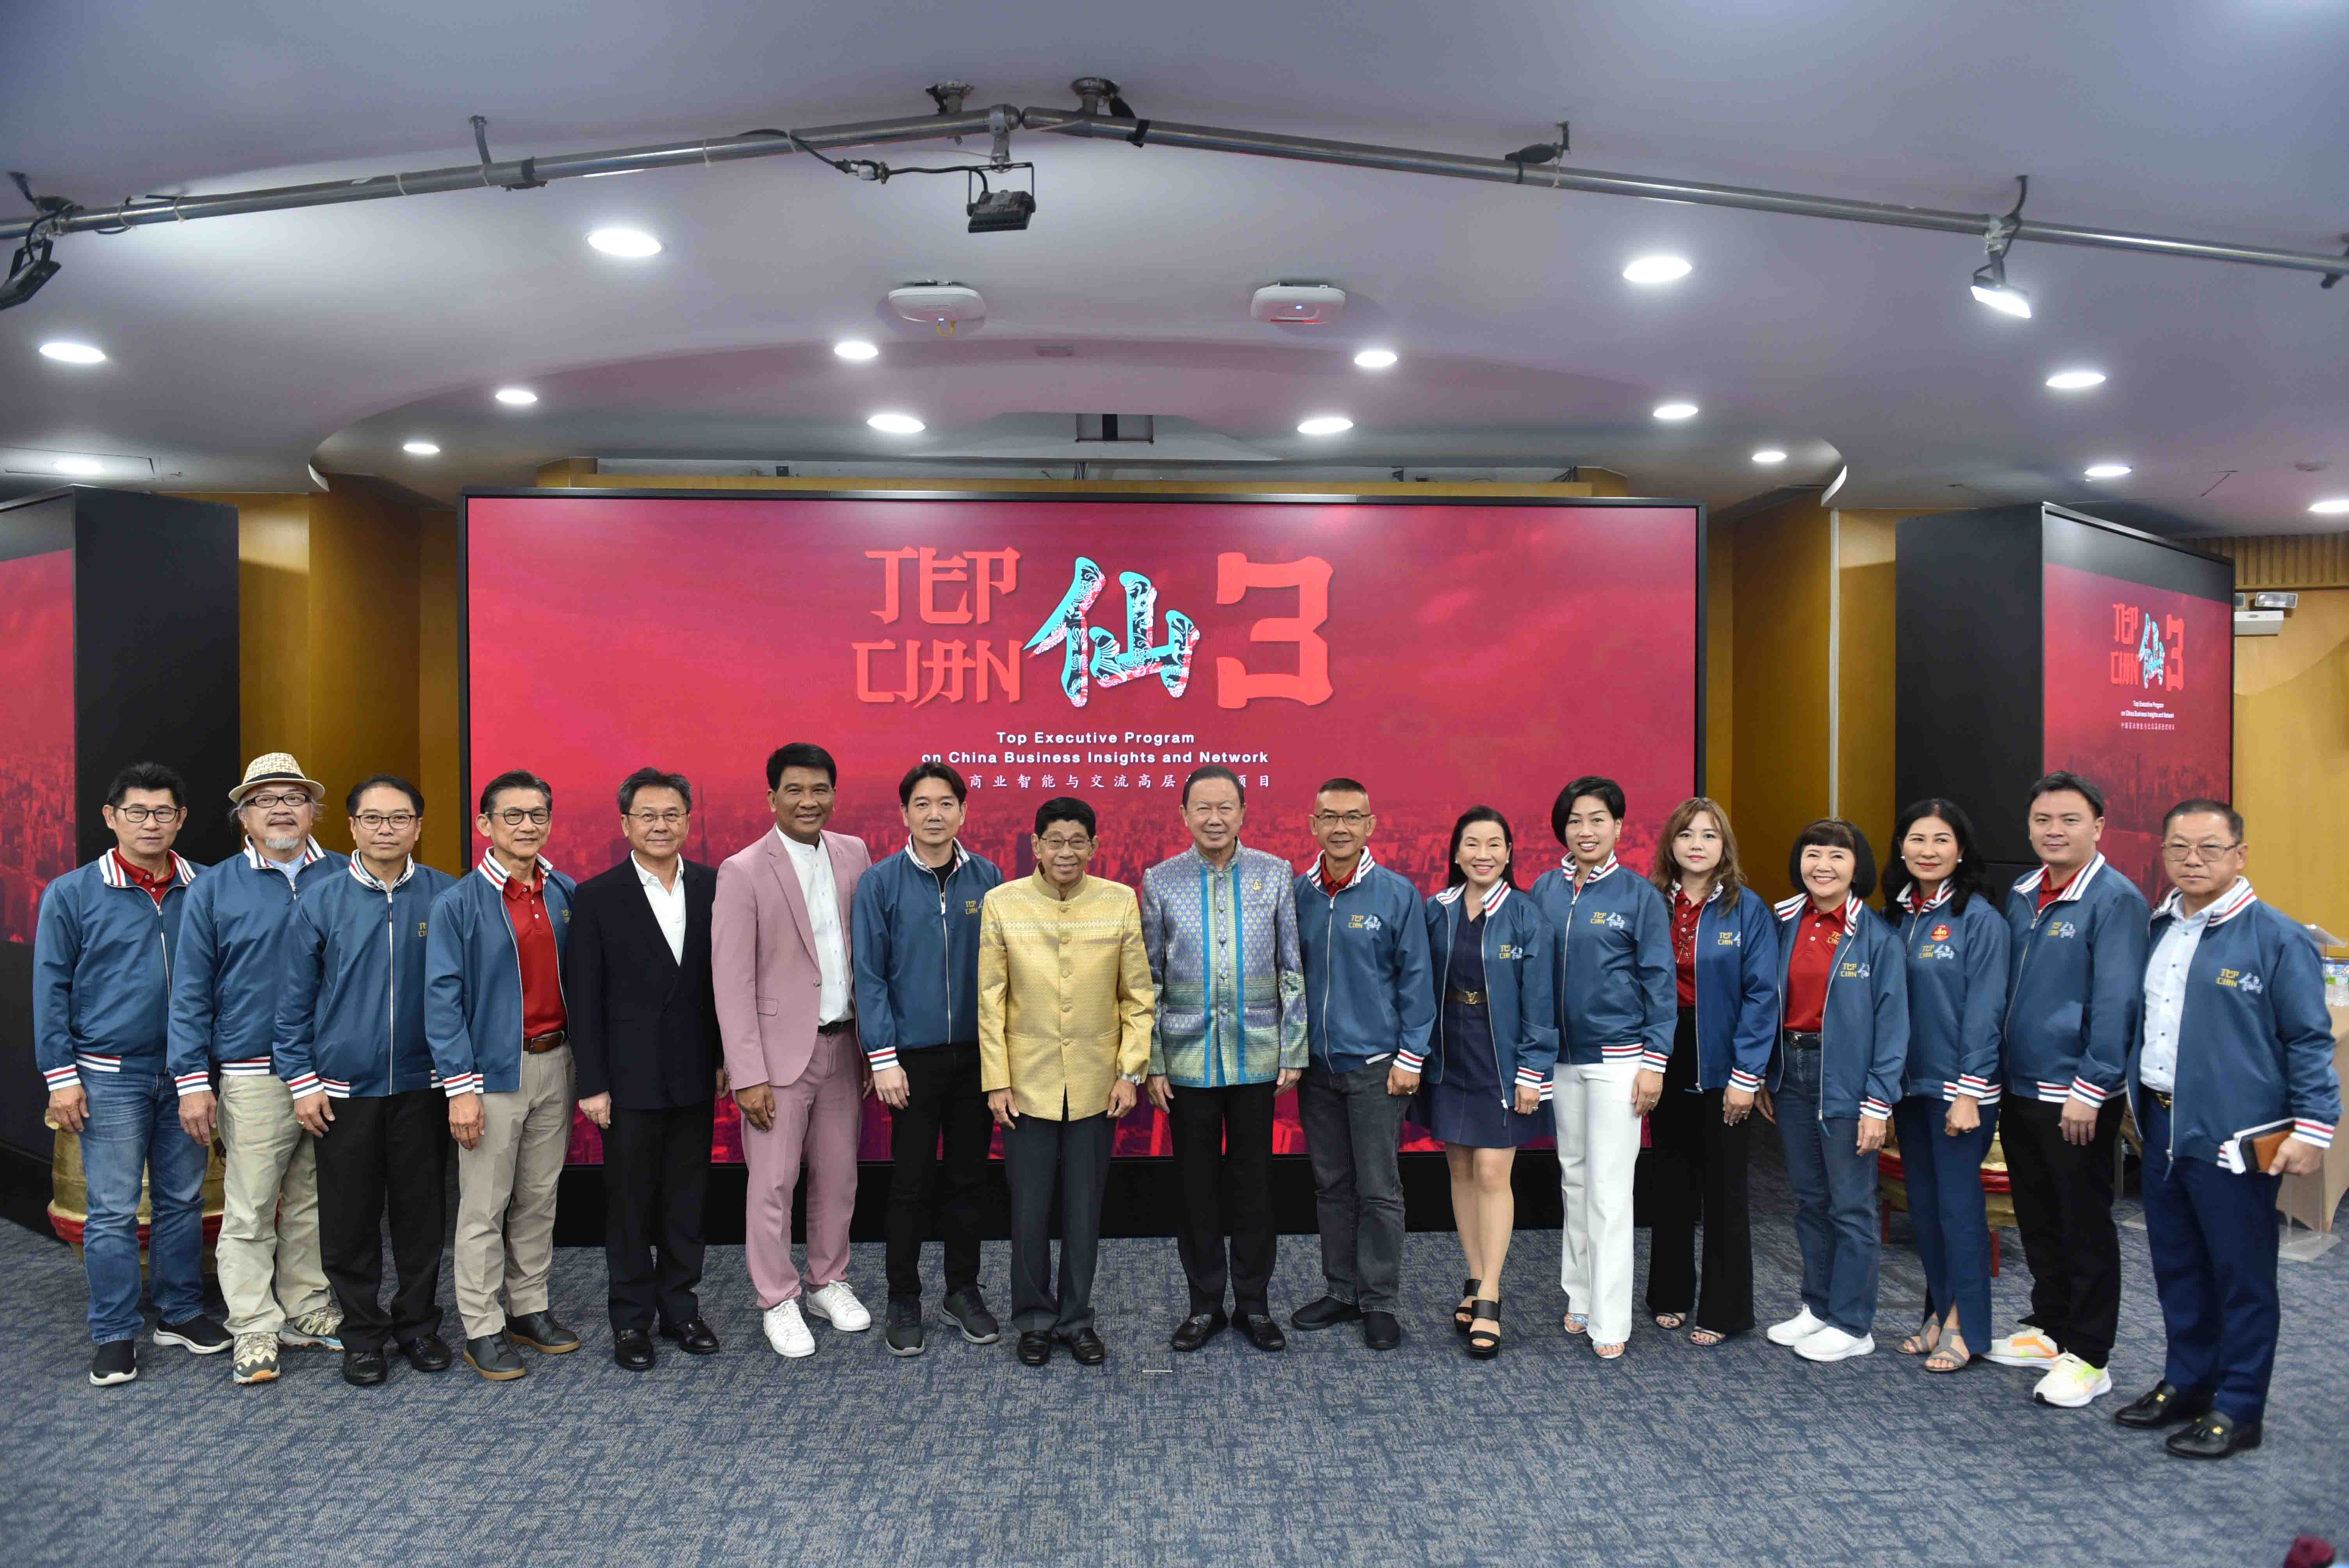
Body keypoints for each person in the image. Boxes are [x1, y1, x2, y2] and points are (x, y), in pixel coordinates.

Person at [2116, 800, 2340, 1460]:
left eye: (2210, 848)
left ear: (2240, 855)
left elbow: (2309, 1040)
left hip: (2234, 1138)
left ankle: (2240, 1407)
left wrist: (2314, 1129)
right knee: (2177, 1266)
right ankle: (2188, 1382)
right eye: (2179, 847)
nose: (2193, 860)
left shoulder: (2278, 937)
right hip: (2162, 1125)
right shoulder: (2159, 928)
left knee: (2242, 1275)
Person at [34, 763, 225, 1386]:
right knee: (114, 1209)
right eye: (137, 812)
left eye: (163, 812)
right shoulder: (73, 893)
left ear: (182, 819)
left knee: (182, 1199)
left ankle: (180, 1312)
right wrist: (61, 1076)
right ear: (111, 818)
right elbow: (51, 989)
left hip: (188, 1074)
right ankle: (115, 1332)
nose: (151, 823)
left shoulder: (207, 887)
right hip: (108, 1075)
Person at [167, 752, 344, 1386]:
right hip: (252, 1071)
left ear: (314, 811)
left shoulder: (347, 875)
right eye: (264, 800)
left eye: (293, 798)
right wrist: (192, 1081)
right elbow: (191, 991)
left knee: (313, 1200)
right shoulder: (214, 888)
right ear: (243, 817)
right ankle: (253, 1325)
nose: (280, 810)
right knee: (250, 1207)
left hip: (332, 1070)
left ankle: (307, 1306)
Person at [275, 774, 457, 1385]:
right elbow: (292, 1004)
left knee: (421, 1218)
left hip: (424, 1086)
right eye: (373, 819)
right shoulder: (320, 899)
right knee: (349, 1222)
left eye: (399, 818)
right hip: (343, 1091)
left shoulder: (446, 896)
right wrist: (302, 1081)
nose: (386, 830)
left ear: (418, 827)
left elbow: (465, 997)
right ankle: (362, 1335)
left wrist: (462, 1081)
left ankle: (418, 1327)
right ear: (352, 827)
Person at [1990, 771, 2149, 1410]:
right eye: (2043, 821)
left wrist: (2093, 1086)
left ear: (2099, 827)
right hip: (2019, 1085)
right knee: (2037, 1213)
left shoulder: (2116, 900)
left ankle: (2090, 1354)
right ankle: (2051, 1326)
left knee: (2083, 1223)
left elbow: (2118, 1003)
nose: (2054, 831)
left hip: (2077, 1094)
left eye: (2070, 820)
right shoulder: (2023, 892)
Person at [978, 796, 1153, 1367]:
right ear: (1036, 845)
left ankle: (1076, 1318)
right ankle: (1033, 1318)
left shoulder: (1118, 901)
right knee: (1029, 1211)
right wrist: (997, 1080)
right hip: (1025, 1084)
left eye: (1078, 841)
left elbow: (1137, 997)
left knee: (1084, 1211)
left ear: (1094, 847)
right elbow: (991, 1001)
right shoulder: (1003, 903)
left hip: (1097, 1085)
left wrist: (1129, 1072)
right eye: (1055, 841)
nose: (1066, 852)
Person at [712, 742, 873, 1360]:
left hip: (844, 1045)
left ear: (834, 794)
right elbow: (732, 981)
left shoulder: (854, 852)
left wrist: (872, 1049)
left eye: (820, 790)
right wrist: (747, 1072)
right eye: (796, 790)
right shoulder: (743, 870)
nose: (809, 801)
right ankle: (777, 1297)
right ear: (772, 797)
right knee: (774, 1184)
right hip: (777, 1060)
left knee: (839, 1177)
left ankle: (827, 1281)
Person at [1140, 765, 1308, 1355]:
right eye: (1203, 808)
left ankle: (1255, 1304)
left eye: (1225, 808)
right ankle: (1205, 1304)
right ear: (1184, 815)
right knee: (1196, 1187)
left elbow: (1291, 968)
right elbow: (1149, 978)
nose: (1214, 819)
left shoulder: (1275, 873)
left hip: (1258, 1054)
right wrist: (1154, 1061)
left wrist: (1293, 1047)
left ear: (1243, 812)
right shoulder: (1160, 880)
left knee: (1255, 1184)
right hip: (1186, 1058)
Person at [426, 769, 583, 1380]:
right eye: (512, 815)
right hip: (491, 1075)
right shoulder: (459, 903)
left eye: (537, 814)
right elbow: (442, 1002)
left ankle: (528, 1307)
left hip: (556, 1063)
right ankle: (482, 1326)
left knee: (540, 1198)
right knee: (484, 1207)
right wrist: (460, 1089)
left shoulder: (564, 891)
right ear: (485, 824)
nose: (526, 825)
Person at [569, 768, 726, 1372]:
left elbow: (722, 984)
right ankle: (631, 1321)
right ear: (626, 823)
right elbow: (585, 999)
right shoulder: (597, 896)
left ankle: (681, 1310)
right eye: (648, 816)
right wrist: (593, 1084)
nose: (661, 826)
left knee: (688, 1202)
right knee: (630, 1206)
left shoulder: (714, 886)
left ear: (688, 820)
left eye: (672, 815)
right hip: (626, 1081)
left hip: (694, 1072)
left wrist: (722, 1059)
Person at [851, 761, 1005, 1357]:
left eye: (946, 803)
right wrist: (883, 1059)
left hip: (976, 1056)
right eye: (922, 804)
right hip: (909, 1060)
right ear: (905, 814)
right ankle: (903, 1297)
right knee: (910, 1184)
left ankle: (962, 1290)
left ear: (963, 812)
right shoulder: (880, 883)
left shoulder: (988, 877)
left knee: (969, 1179)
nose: (934, 814)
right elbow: (870, 975)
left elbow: (1003, 972)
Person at [1529, 776, 1674, 1361]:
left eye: (1597, 820)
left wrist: (1654, 1063)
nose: (1585, 831)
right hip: (1562, 1060)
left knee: (1612, 1190)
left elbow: (1659, 982)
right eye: (1575, 821)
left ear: (1619, 827)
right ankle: (1581, 1296)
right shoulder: (1545, 888)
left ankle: (1611, 1318)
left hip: (1619, 1061)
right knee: (1575, 1178)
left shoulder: (1640, 896)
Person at [1291, 777, 1434, 1352]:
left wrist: (1411, 1057)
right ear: (1313, 824)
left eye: (1353, 817)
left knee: (1379, 1188)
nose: (1341, 827)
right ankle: (1342, 1290)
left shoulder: (1396, 894)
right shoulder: (1297, 894)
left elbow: (1417, 980)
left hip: (1377, 1066)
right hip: (1316, 1067)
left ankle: (1379, 1301)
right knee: (1331, 1185)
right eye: (1330, 817)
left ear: (1371, 825)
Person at [1408, 806, 1557, 1359]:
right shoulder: (1437, 910)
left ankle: (1491, 1292)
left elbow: (1541, 1001)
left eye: (1495, 844)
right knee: (1461, 1169)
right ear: (1456, 852)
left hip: (1504, 1057)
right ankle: (1474, 1277)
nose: (1483, 855)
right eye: (1472, 844)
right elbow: (1416, 983)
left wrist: (1533, 1072)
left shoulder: (1526, 915)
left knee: (1494, 1171)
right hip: (1450, 1052)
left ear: (1510, 853)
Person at [1764, 819, 1908, 1363]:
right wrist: (1767, 1073)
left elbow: (1893, 1026)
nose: (1822, 866)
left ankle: (1853, 1322)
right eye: (1813, 854)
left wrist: (1878, 1102)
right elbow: (1765, 1000)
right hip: (1793, 1072)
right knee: (1809, 1199)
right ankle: (1818, 1306)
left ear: (1857, 867)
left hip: (1847, 1078)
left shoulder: (1877, 936)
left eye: (1837, 856)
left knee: (1852, 1205)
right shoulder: (1783, 921)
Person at [1640, 796, 1779, 1347]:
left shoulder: (1747, 909)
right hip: (1663, 1053)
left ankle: (1725, 1309)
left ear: (1725, 846)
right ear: (1670, 844)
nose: (1697, 844)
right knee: (1671, 1179)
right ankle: (1670, 1294)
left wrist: (1747, 1076)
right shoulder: (1652, 902)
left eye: (1710, 835)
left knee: (1726, 1188)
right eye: (1687, 834)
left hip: (1725, 1058)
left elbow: (1762, 995)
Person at [1882, 798, 2007, 1375]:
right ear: (1901, 848)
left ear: (1961, 851)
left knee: (1959, 1211)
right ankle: (1937, 1313)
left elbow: (1985, 1012)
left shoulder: (1979, 920)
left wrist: (1970, 1092)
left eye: (1941, 841)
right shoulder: (1895, 917)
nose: (1927, 851)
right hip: (1908, 1087)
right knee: (1927, 1211)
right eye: (1917, 839)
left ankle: (1966, 1326)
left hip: (1959, 1090)